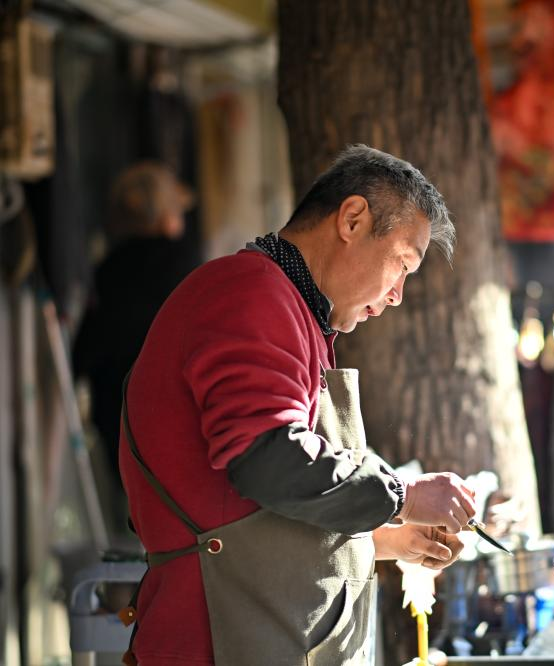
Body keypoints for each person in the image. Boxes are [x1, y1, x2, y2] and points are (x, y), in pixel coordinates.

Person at [120, 145, 475, 665]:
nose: (398, 294)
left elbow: (255, 512)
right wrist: (402, 496)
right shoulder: (249, 293)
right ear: (351, 220)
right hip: (212, 639)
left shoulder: (293, 307)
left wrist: (384, 537)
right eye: (402, 264)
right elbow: (269, 459)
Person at [73, 161, 201, 485]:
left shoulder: (107, 270)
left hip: (119, 419)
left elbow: (84, 352)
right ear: (166, 217)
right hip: (179, 416)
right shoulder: (185, 264)